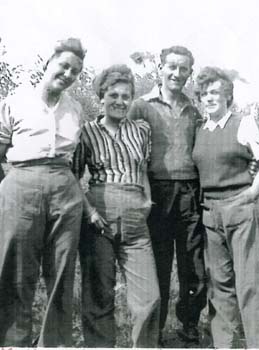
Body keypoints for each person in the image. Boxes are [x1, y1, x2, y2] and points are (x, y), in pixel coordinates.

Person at [0, 38, 86, 347]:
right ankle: (11, 342)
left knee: (62, 268)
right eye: (64, 65)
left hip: (64, 188)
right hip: (21, 183)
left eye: (75, 71)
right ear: (48, 63)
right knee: (16, 268)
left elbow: (76, 161)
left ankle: (53, 343)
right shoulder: (16, 101)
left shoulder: (75, 109)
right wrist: (8, 195)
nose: (68, 74)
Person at [192, 67, 259, 348]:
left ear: (228, 95)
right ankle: (224, 344)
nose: (209, 98)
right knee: (219, 285)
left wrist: (252, 193)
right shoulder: (199, 129)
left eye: (215, 92)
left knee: (251, 282)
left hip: (240, 210)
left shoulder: (243, 123)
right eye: (204, 93)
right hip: (210, 213)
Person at [74, 64, 160, 348]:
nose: (120, 101)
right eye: (113, 95)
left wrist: (146, 201)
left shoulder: (141, 131)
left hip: (136, 217)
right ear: (101, 96)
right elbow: (72, 178)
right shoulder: (86, 132)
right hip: (99, 217)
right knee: (99, 293)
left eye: (126, 96)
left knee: (149, 297)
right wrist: (90, 212)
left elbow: (143, 169)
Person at [128, 46, 206, 345]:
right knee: (157, 265)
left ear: (189, 73)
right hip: (155, 192)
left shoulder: (194, 108)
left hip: (189, 191)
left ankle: (189, 323)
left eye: (183, 69)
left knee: (194, 264)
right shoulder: (140, 106)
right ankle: (154, 329)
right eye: (171, 67)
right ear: (160, 67)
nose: (177, 73)